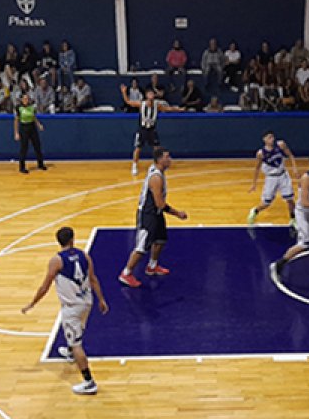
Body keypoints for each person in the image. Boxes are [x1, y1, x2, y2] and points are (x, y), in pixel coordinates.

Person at [22, 227, 108, 394]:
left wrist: (32, 303)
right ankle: (69, 352)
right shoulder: (84, 255)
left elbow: (44, 287)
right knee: (77, 330)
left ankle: (89, 382)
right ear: (72, 239)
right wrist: (102, 299)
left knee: (77, 344)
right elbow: (93, 279)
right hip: (87, 302)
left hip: (72, 307)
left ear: (58, 241)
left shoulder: (56, 261)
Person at [118, 147, 188, 288]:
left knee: (161, 239)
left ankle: (152, 266)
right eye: (167, 157)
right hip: (148, 215)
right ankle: (126, 273)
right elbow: (160, 204)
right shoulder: (156, 178)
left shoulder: (157, 170)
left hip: (156, 213)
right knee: (142, 247)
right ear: (160, 159)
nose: (170, 159)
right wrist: (178, 213)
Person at [120, 84, 182, 176]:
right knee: (138, 148)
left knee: (157, 148)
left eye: (152, 94)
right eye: (149, 94)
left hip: (152, 129)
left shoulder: (157, 105)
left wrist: (178, 109)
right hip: (142, 129)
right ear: (146, 95)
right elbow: (128, 101)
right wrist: (124, 92)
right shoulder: (142, 104)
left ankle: (157, 165)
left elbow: (168, 109)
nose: (151, 95)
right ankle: (134, 165)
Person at [247, 131, 299, 230]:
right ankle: (255, 211)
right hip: (271, 178)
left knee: (290, 199)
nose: (272, 139)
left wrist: (294, 168)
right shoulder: (261, 153)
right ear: (264, 139)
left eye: (272, 137)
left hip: (283, 175)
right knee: (266, 203)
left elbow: (291, 156)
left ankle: (293, 219)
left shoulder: (281, 145)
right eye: (269, 137)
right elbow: (257, 168)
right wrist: (254, 184)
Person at [13, 93, 46, 174]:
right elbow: (16, 121)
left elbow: (34, 117)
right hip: (24, 128)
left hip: (32, 127)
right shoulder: (19, 108)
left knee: (37, 145)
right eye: (24, 99)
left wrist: (39, 125)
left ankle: (40, 164)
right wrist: (16, 133)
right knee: (24, 148)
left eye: (27, 99)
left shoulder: (32, 107)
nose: (26, 100)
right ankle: (22, 167)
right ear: (21, 100)